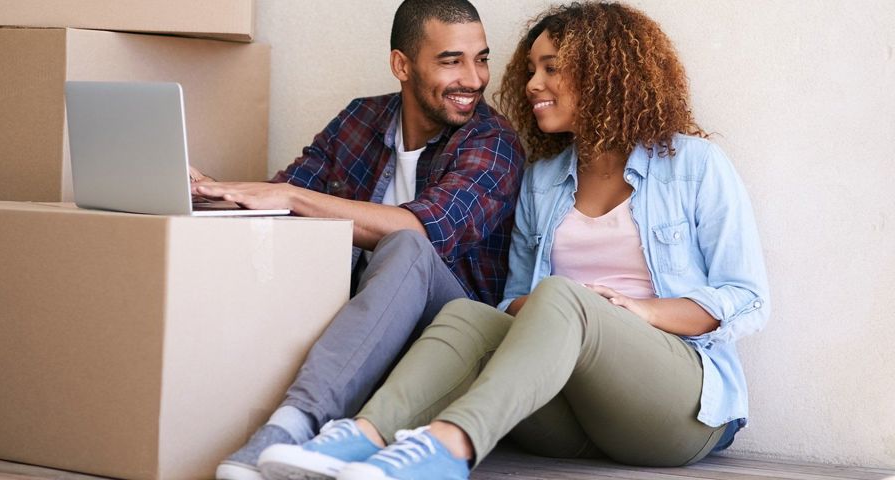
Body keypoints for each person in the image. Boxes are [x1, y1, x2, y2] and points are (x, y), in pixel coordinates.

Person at [254, 2, 770, 479]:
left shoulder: (694, 167)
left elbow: (746, 299)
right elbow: (512, 298)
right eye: (531, 69)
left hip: (675, 410)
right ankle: (361, 436)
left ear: (604, 74)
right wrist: (552, 307)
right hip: (568, 415)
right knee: (468, 313)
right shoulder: (543, 179)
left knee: (566, 296)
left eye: (551, 68)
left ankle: (447, 449)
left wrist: (640, 312)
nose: (530, 84)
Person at [197, 1, 525, 479]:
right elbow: (279, 204)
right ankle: (277, 427)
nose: (474, 79)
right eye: (452, 60)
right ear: (401, 65)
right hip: (358, 331)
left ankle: (289, 428)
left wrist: (290, 196)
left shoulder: (493, 143)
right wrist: (209, 190)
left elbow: (424, 229)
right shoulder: (359, 121)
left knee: (407, 245)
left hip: (455, 336)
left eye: (481, 58)